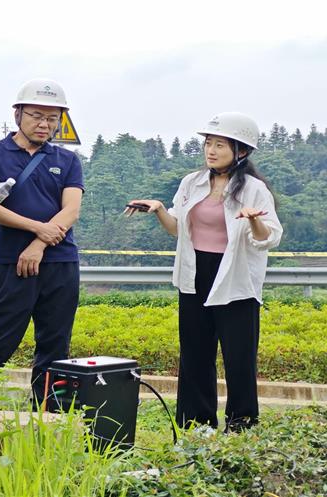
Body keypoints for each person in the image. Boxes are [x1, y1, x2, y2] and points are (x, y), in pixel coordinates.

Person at [125, 111, 282, 432]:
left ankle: (241, 423)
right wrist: (158, 210)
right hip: (195, 274)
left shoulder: (253, 189)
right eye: (208, 143)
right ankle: (196, 424)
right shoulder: (192, 183)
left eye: (220, 145)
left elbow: (268, 238)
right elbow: (178, 229)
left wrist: (253, 219)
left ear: (241, 151)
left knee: (239, 357)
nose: (210, 150)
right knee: (195, 355)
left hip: (235, 278)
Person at [0, 79, 84, 405]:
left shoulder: (68, 160)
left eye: (52, 118)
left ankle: (49, 414)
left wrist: (39, 243)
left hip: (60, 262)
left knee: (56, 345)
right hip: (9, 261)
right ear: (18, 114)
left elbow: (71, 210)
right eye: (36, 116)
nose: (44, 124)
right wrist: (39, 229)